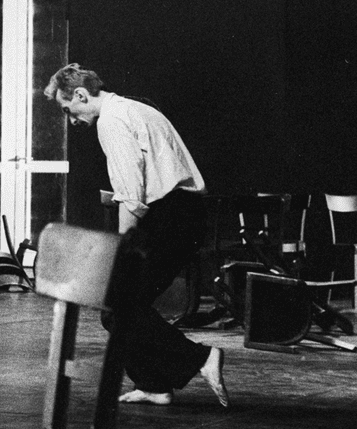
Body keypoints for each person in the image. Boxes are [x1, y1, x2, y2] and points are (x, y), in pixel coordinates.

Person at [44, 63, 228, 407]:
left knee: (116, 305)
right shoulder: (134, 108)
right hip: (183, 215)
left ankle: (200, 358)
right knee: (120, 305)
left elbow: (131, 194)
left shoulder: (112, 122)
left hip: (171, 216)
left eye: (68, 109)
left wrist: (122, 248)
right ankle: (154, 384)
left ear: (81, 95)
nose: (71, 120)